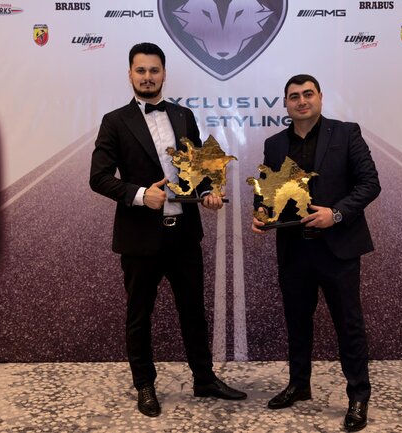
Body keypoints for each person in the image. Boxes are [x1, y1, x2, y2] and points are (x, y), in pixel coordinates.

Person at [90, 42, 247, 418]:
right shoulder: (114, 121)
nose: (148, 77)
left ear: (164, 74)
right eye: (141, 70)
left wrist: (207, 192)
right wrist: (141, 195)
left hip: (184, 235)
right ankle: (144, 386)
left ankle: (204, 379)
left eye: (154, 70)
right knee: (139, 315)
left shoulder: (183, 116)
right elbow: (98, 177)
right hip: (140, 238)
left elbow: (199, 170)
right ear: (130, 74)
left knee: (193, 311)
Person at [251, 74, 380, 431]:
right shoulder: (275, 144)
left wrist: (334, 214)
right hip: (294, 249)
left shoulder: (346, 133)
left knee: (348, 325)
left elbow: (370, 183)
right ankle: (299, 385)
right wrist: (261, 212)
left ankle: (358, 396)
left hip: (338, 248)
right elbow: (267, 191)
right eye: (294, 96)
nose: (302, 101)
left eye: (308, 94)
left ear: (320, 97)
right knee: (297, 322)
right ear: (286, 104)